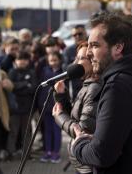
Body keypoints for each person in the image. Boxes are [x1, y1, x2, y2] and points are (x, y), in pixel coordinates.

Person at [71, 11, 132, 174]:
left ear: (118, 47)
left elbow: (101, 155)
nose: (88, 52)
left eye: (95, 45)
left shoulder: (118, 86)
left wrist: (78, 145)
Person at [52, 41, 102, 174]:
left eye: (81, 58)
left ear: (93, 61)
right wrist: (62, 96)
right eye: (76, 58)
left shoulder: (95, 88)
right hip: (82, 163)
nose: (76, 62)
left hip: (88, 166)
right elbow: (76, 117)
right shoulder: (87, 85)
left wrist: (60, 117)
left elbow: (83, 132)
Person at [6, 50, 36, 160]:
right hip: (14, 108)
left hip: (28, 108)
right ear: (15, 61)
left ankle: (27, 154)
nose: (22, 62)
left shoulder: (32, 72)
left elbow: (33, 88)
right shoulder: (12, 72)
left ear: (28, 61)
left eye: (24, 59)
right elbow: (11, 87)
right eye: (19, 59)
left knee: (27, 133)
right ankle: (10, 154)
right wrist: (25, 84)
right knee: (13, 132)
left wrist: (18, 87)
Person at [38, 51, 63, 163]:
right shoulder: (44, 71)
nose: (53, 62)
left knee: (56, 130)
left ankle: (56, 152)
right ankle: (47, 151)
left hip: (57, 105)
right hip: (45, 104)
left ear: (60, 60)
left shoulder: (63, 72)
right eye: (51, 60)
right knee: (47, 130)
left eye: (55, 60)